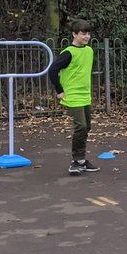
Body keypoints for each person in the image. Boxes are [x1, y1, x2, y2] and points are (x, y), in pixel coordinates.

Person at [47, 18, 99, 176]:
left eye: (88, 33)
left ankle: (82, 161)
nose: (87, 37)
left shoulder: (89, 51)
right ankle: (76, 161)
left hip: (85, 95)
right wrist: (59, 90)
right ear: (74, 34)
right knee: (81, 126)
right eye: (83, 34)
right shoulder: (68, 53)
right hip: (72, 95)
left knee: (87, 127)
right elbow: (52, 70)